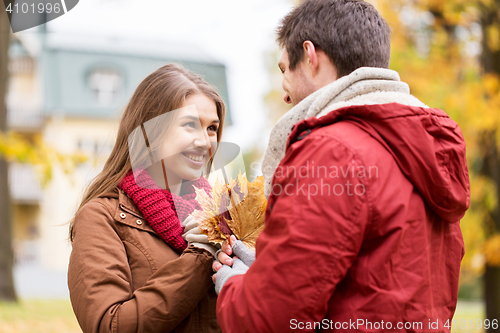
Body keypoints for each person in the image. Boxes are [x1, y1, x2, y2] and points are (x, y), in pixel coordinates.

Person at [213, 0, 470, 332]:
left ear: (310, 56)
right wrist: (263, 275)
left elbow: (270, 320)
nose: (284, 92)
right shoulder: (423, 148)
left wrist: (233, 286)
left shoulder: (331, 151)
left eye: (283, 70)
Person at [68, 63, 229, 333]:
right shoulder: (102, 218)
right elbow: (110, 326)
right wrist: (200, 257)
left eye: (212, 128)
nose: (205, 141)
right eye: (190, 124)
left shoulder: (223, 217)